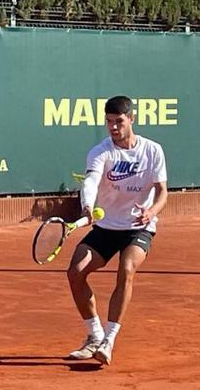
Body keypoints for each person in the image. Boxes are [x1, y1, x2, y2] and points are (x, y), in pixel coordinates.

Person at [66, 95, 168, 366]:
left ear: (131, 119)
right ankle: (95, 335)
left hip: (138, 227)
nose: (113, 127)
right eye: (109, 122)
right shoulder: (100, 151)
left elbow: (162, 192)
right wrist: (87, 205)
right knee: (75, 272)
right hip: (106, 226)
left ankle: (109, 340)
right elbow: (90, 181)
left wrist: (152, 212)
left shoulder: (153, 150)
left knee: (127, 268)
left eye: (118, 121)